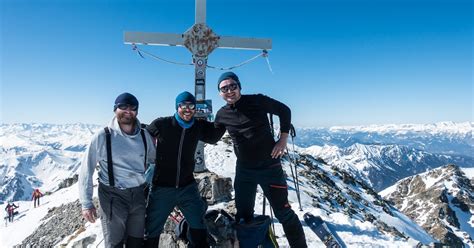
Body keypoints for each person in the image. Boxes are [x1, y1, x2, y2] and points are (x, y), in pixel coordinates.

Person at [214, 72, 307, 247]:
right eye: (224, 88)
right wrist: (189, 125)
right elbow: (212, 136)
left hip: (269, 167)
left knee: (284, 213)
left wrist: (283, 139)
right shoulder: (222, 114)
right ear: (220, 93)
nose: (229, 90)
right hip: (244, 171)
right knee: (243, 215)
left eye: (233, 86)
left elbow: (284, 110)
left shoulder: (257, 100)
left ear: (239, 86)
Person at [144, 91, 225, 248]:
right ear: (177, 106)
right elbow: (141, 140)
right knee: (151, 231)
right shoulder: (162, 124)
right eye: (183, 106)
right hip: (162, 189)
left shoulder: (198, 126)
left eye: (191, 106)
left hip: (187, 188)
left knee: (198, 228)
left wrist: (224, 117)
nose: (187, 109)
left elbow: (214, 136)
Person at [79, 92, 156, 248]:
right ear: (115, 109)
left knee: (136, 242)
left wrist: (150, 175)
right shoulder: (103, 136)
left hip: (139, 195)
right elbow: (86, 169)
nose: (128, 110)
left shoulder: (144, 135)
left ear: (137, 111)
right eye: (123, 106)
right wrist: (86, 203)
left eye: (132, 107)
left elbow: (153, 160)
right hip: (113, 197)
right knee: (115, 243)